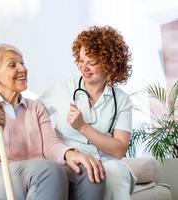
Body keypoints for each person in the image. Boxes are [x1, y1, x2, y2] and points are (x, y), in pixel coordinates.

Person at [0, 44, 105, 200]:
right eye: (12, 65)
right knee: (48, 171)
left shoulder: (35, 107)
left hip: (31, 172)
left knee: (90, 171)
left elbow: (51, 146)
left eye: (22, 63)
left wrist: (69, 153)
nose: (22, 69)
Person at [39, 26, 136, 200]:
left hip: (108, 162)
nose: (84, 67)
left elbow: (120, 149)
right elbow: (33, 113)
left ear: (109, 64)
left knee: (115, 173)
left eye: (92, 63)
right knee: (92, 174)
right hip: (72, 160)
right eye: (81, 60)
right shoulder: (61, 89)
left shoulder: (121, 100)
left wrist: (83, 127)